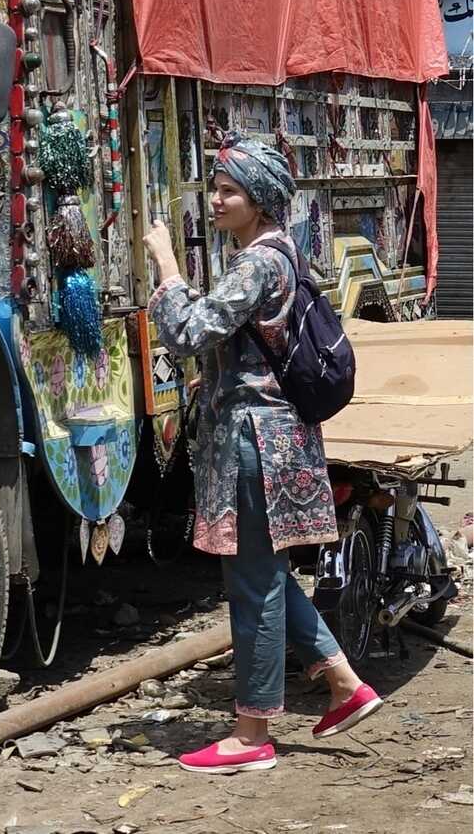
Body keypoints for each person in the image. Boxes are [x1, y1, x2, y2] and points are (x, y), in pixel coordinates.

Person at [142, 133, 381, 774]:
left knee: (253, 586)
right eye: (216, 188)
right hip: (281, 442)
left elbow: (187, 331)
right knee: (266, 576)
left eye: (230, 191)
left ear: (261, 199)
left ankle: (252, 735)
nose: (216, 200)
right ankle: (344, 685)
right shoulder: (282, 255)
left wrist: (167, 265)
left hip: (257, 447)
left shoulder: (257, 264)